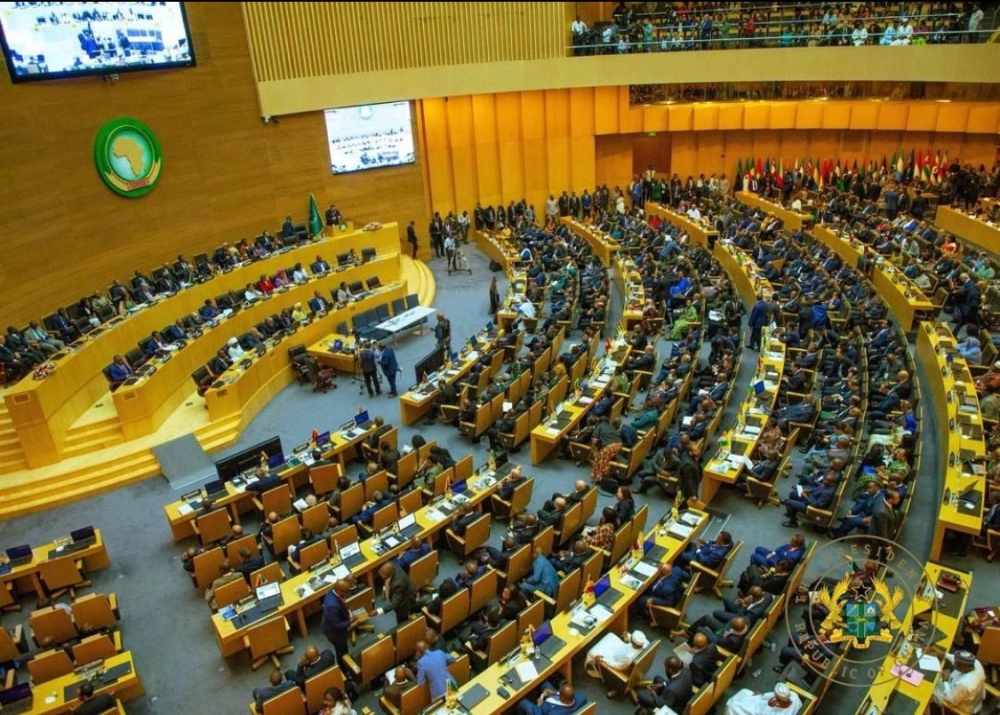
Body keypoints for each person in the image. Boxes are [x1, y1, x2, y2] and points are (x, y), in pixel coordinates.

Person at [320, 580, 357, 670]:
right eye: (347, 590)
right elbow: (337, 625)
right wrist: (350, 621)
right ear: (340, 590)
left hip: (333, 620)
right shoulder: (332, 605)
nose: (348, 592)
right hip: (335, 633)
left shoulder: (332, 590)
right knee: (341, 651)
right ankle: (344, 668)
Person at [724, 682, 801, 714]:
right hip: (761, 703)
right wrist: (761, 695)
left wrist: (768, 707)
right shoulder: (794, 696)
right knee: (745, 692)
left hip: (759, 712)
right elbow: (768, 696)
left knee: (733, 705)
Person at [516, 682, 586, 715]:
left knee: (523, 703)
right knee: (545, 685)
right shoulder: (581, 698)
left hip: (540, 711)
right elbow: (565, 695)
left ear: (562, 697)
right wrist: (555, 693)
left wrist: (539, 705)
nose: (558, 690)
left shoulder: (552, 712)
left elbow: (539, 713)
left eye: (559, 691)